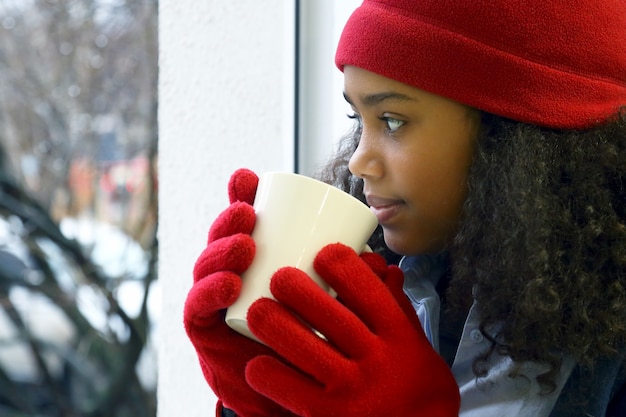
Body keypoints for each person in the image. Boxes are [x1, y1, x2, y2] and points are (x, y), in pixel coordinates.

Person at [183, 0, 626, 416]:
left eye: (392, 121)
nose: (358, 161)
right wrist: (267, 401)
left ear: (513, 135)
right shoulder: (383, 284)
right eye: (358, 120)